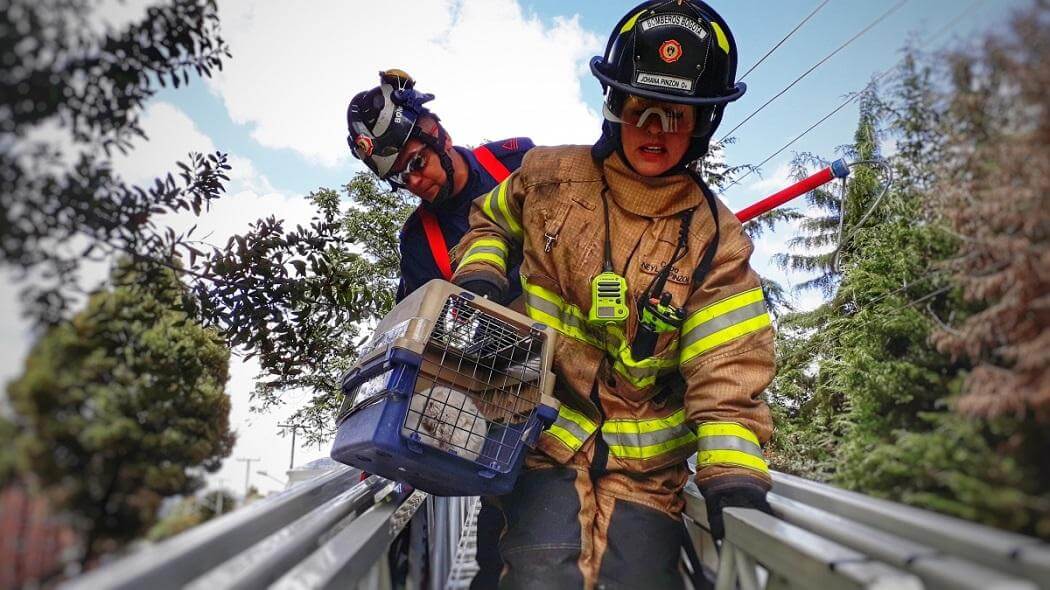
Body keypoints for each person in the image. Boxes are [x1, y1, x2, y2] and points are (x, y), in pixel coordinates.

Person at [451, 1, 775, 587]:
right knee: (539, 574)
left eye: (676, 115)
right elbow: (489, 222)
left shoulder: (716, 242)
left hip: (646, 474)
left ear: (703, 123)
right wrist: (481, 277)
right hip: (542, 435)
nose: (656, 129)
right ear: (614, 106)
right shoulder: (548, 176)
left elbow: (728, 377)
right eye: (640, 109)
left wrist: (733, 480)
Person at [346, 69, 532, 303]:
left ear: (441, 137)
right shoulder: (419, 242)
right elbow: (420, 325)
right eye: (399, 177)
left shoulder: (517, 161)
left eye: (416, 162)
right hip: (510, 335)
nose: (412, 182)